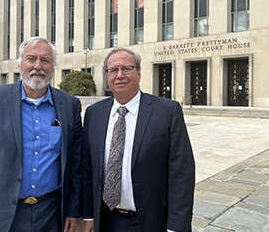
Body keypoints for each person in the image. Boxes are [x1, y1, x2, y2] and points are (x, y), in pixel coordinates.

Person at [0, 36, 82, 232]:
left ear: (53, 66)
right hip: (2, 215)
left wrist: (74, 210)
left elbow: (76, 166)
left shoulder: (69, 105)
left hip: (51, 214)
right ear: (20, 64)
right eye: (31, 58)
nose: (37, 66)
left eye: (45, 60)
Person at [82, 48, 195, 232]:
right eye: (113, 70)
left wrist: (177, 227)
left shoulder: (167, 112)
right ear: (107, 75)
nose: (120, 75)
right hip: (105, 220)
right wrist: (88, 215)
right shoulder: (94, 113)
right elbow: (87, 170)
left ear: (139, 73)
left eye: (126, 68)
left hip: (150, 222)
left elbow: (181, 174)